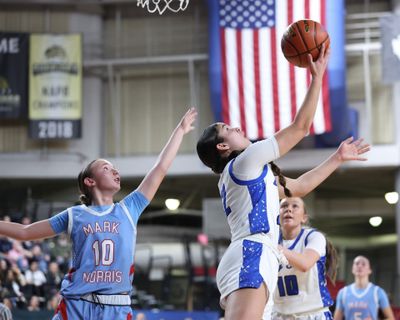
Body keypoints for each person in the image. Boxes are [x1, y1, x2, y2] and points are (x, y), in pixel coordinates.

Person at [196, 44, 370, 320]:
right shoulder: (243, 162)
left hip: (254, 254)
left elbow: (298, 187)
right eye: (228, 129)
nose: (237, 127)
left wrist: (337, 158)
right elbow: (300, 127)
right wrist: (317, 78)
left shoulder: (249, 173)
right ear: (222, 147)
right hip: (251, 252)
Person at [0, 108, 197, 320]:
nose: (115, 171)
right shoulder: (74, 214)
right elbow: (25, 232)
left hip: (116, 307)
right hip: (77, 305)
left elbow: (160, 168)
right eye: (106, 168)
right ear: (89, 181)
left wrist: (180, 130)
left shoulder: (128, 209)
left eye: (115, 169)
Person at [272, 197, 338, 320]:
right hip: (279, 315)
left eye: (295, 206)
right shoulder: (272, 240)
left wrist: (275, 248)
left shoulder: (314, 237)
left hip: (313, 314)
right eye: (284, 206)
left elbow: (305, 264)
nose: (288, 209)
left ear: (304, 217)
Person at [333, 255, 395, 320]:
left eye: (363, 264)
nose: (360, 266)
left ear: (370, 270)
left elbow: (391, 318)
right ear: (352, 269)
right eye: (357, 263)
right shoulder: (343, 292)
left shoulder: (378, 292)